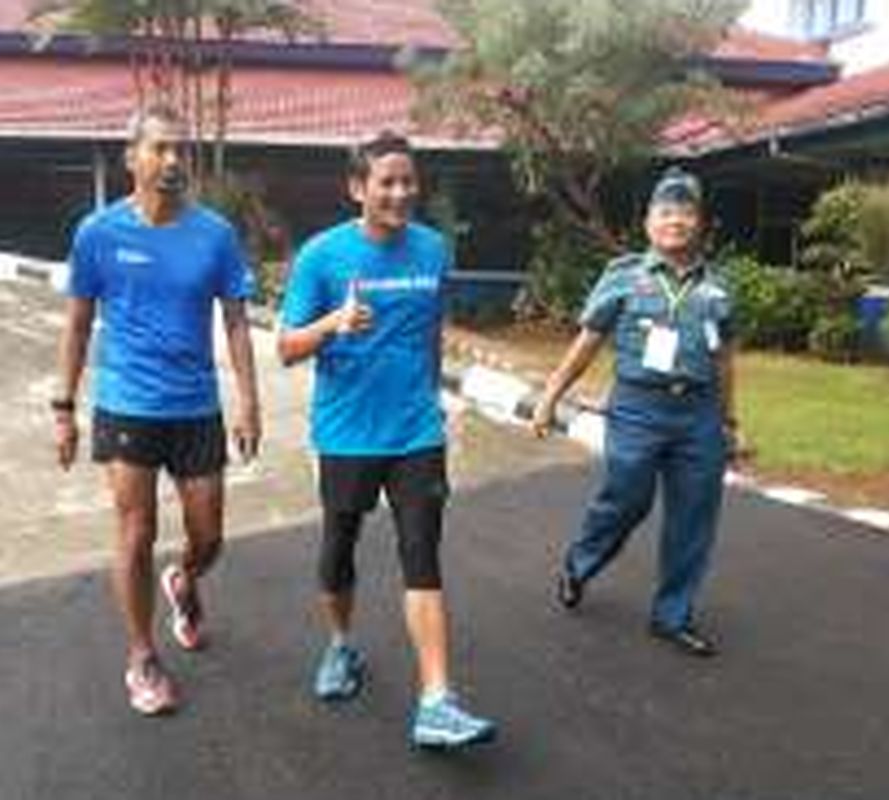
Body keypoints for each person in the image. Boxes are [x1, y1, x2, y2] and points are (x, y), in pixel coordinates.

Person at [277, 131, 496, 749]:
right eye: (387, 182)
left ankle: (436, 701)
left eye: (408, 181)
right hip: (346, 432)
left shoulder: (433, 249)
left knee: (421, 553)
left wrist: (432, 401)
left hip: (415, 431)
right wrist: (332, 324)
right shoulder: (323, 257)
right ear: (358, 189)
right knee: (338, 551)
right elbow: (287, 348)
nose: (401, 193)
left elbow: (430, 332)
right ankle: (341, 646)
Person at [54, 105, 262, 715]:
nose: (172, 162)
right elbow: (76, 323)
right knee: (135, 530)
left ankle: (185, 579)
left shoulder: (215, 235)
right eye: (160, 149)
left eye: (180, 151)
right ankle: (142, 654)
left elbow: (237, 321)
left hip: (196, 405)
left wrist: (248, 401)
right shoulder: (98, 233)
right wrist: (63, 407)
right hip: (127, 403)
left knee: (210, 536)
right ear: (131, 157)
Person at [531, 167, 739, 658]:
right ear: (648, 222)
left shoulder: (719, 288)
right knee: (627, 496)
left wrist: (729, 420)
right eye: (666, 212)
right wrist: (550, 395)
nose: (676, 221)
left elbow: (725, 357)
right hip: (638, 410)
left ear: (699, 223)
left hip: (698, 414)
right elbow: (588, 342)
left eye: (686, 213)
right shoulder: (624, 276)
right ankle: (579, 564)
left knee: (695, 517)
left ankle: (673, 615)